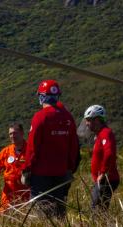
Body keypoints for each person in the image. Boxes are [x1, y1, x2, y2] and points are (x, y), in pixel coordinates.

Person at [22, 79, 80, 217]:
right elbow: (74, 147)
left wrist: (26, 169)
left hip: (41, 174)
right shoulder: (68, 117)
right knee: (59, 213)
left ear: (42, 97)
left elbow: (32, 148)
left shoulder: (40, 117)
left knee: (41, 212)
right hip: (61, 173)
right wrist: (70, 168)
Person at [83, 105, 120, 211]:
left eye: (88, 120)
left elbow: (109, 153)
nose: (87, 123)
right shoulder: (100, 134)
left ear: (97, 120)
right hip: (103, 179)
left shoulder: (105, 133)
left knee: (97, 210)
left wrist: (103, 172)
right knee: (99, 208)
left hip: (106, 179)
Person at [0, 123, 28, 213]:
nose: (12, 136)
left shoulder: (30, 150)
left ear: (22, 133)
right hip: (8, 194)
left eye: (15, 133)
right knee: (4, 218)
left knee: (25, 219)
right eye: (10, 134)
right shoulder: (6, 151)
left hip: (25, 194)